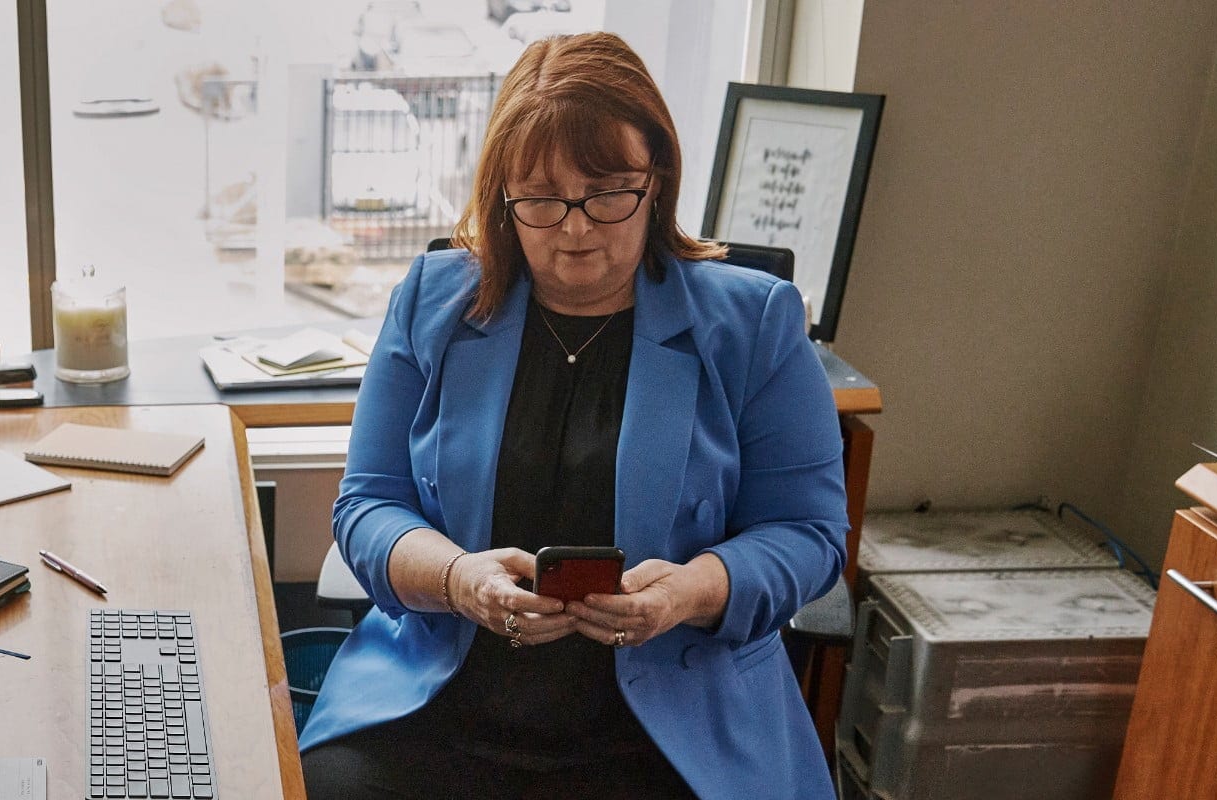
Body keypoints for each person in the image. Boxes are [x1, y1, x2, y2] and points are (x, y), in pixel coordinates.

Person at [297, 32, 848, 800]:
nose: (577, 229)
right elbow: (368, 505)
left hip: (672, 723)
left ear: (656, 180)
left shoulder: (753, 324)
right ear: (503, 198)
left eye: (609, 191)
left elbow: (809, 535)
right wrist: (459, 581)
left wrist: (688, 592)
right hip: (441, 702)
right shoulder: (432, 302)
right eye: (543, 200)